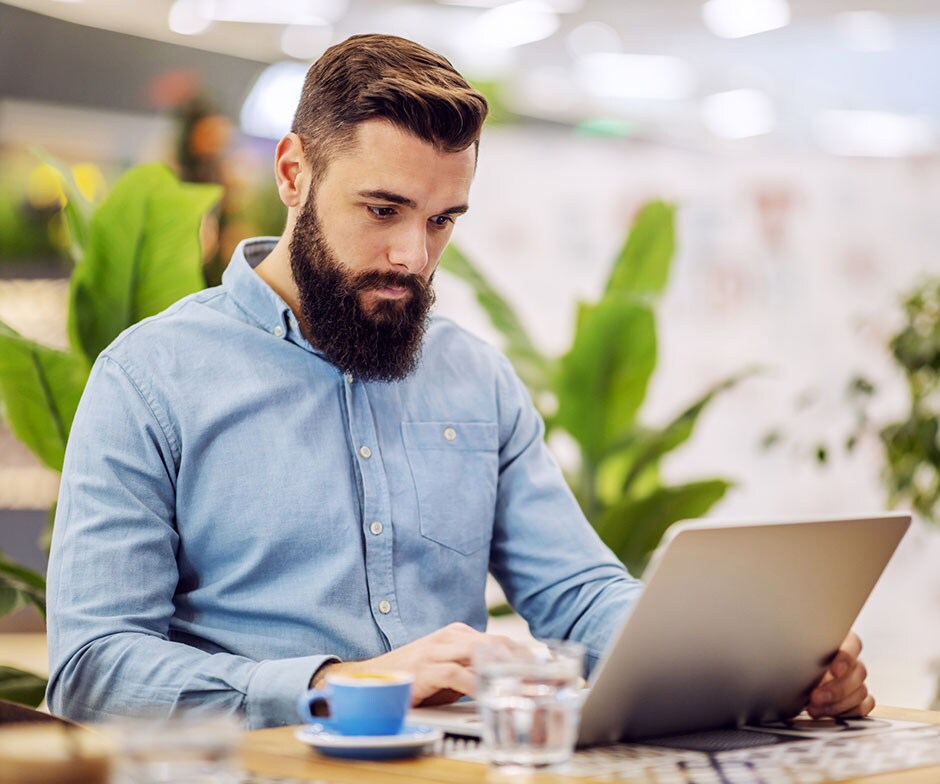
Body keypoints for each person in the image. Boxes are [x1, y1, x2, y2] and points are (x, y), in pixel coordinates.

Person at [45, 34, 873, 729]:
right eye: (383, 210)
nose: (413, 255)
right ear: (294, 174)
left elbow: (577, 595)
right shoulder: (150, 380)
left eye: (442, 220)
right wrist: (337, 686)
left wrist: (749, 662)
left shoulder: (474, 377)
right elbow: (90, 668)